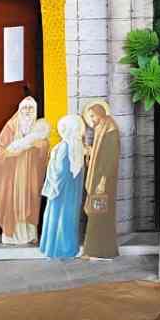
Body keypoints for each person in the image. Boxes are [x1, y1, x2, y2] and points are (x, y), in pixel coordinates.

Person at [0, 97, 50, 244]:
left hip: (30, 174)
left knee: (30, 201)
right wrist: (10, 153)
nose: (27, 111)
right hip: (12, 174)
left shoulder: (38, 128)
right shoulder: (11, 127)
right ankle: (11, 236)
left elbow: (44, 149)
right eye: (25, 108)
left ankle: (29, 234)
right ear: (19, 110)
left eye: (31, 108)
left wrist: (40, 146)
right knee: (12, 201)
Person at [38, 114, 84, 258]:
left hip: (60, 189)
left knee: (58, 216)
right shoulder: (78, 146)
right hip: (72, 190)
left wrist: (55, 184)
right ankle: (69, 248)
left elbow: (61, 170)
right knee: (68, 217)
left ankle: (56, 249)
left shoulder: (64, 146)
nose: (61, 131)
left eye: (64, 128)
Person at [81, 100, 119, 259]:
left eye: (93, 116)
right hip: (99, 179)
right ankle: (99, 251)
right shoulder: (102, 129)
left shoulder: (110, 131)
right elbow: (99, 156)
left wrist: (102, 182)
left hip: (103, 181)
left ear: (101, 114)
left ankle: (96, 251)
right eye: (89, 116)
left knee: (98, 214)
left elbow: (110, 159)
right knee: (97, 214)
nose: (92, 120)